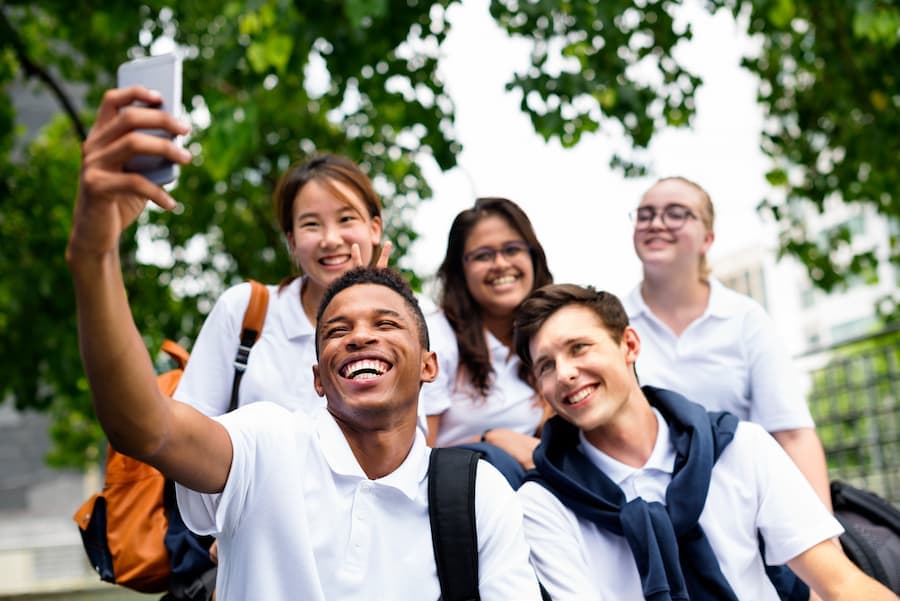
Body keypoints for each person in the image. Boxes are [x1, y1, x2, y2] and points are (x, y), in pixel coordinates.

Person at [66, 86, 543, 600]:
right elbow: (150, 428)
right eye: (337, 330)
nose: (361, 335)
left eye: (385, 324)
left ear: (431, 366)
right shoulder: (267, 445)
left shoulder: (475, 497)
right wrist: (95, 255)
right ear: (316, 376)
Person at [511, 283, 897, 601]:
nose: (564, 374)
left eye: (579, 348)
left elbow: (841, 585)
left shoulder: (740, 447)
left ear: (629, 345)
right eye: (546, 366)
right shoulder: (544, 505)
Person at [624, 176, 833, 509]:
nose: (656, 223)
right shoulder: (613, 323)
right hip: (644, 513)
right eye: (645, 214)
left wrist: (827, 540)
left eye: (676, 213)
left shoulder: (745, 319)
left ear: (707, 238)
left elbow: (792, 435)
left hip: (742, 510)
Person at [174, 152, 389, 417]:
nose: (331, 239)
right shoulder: (242, 309)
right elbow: (191, 422)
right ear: (292, 242)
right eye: (311, 224)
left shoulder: (410, 323)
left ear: (374, 228)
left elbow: (410, 440)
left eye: (346, 219)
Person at [423, 197, 553, 488]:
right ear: (461, 270)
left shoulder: (552, 335)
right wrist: (491, 440)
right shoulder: (436, 338)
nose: (500, 264)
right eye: (483, 255)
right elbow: (412, 461)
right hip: (454, 497)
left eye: (512, 249)